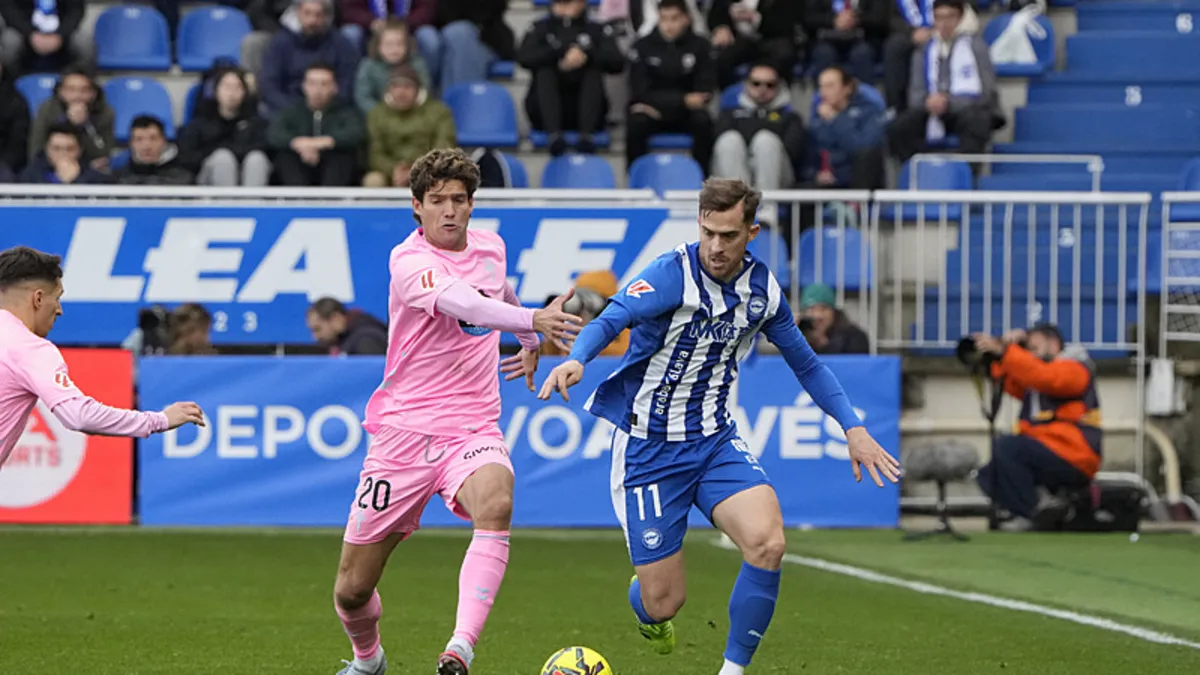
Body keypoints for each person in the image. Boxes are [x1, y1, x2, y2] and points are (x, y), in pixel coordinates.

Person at [537, 178, 899, 675]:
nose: (716, 246)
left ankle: (732, 671)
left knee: (768, 542)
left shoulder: (762, 290)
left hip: (713, 443)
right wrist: (578, 359)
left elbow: (807, 364)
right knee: (663, 602)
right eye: (708, 232)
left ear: (751, 232)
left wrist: (852, 427)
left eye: (729, 235)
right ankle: (649, 606)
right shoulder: (671, 275)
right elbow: (613, 316)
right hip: (648, 450)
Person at [330, 148, 583, 675]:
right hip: (402, 433)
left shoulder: (491, 247)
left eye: (460, 200)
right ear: (417, 206)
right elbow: (462, 303)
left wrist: (524, 335)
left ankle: (459, 650)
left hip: (471, 424)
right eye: (438, 200)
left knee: (497, 499)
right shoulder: (409, 261)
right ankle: (367, 659)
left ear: (472, 205)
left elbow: (496, 290)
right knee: (353, 591)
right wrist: (533, 319)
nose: (450, 210)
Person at [0, 246, 204, 470]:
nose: (59, 310)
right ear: (38, 298)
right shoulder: (29, 348)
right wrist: (159, 420)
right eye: (57, 298)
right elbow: (78, 416)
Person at [971, 324, 1102, 531]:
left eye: (1034, 346)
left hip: (1074, 454)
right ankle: (1043, 511)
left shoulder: (1075, 367)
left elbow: (1043, 376)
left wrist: (1007, 351)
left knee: (1007, 447)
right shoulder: (1036, 377)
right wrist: (996, 355)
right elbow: (1012, 379)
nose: (1029, 352)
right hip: (1049, 449)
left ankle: (1033, 510)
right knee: (988, 474)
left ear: (1053, 344)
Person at [517, 0, 625, 156]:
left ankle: (587, 135)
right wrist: (559, 54)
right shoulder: (539, 28)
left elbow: (617, 63)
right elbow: (523, 58)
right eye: (560, 2)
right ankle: (553, 135)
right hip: (544, 111)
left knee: (592, 72)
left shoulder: (596, 29)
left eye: (569, 2)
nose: (563, 7)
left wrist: (587, 56)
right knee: (545, 71)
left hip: (588, 110)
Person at [625, 0, 716, 174]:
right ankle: (635, 181)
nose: (668, 25)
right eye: (664, 19)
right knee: (636, 121)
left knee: (703, 121)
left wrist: (662, 104)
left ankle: (702, 181)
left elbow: (703, 93)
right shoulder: (642, 46)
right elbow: (639, 92)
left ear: (686, 19)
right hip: (653, 115)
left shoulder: (701, 47)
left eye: (674, 19)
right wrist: (682, 100)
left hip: (684, 116)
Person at [267, 62, 365, 186]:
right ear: (304, 86)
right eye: (312, 84)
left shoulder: (346, 111)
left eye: (324, 84)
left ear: (334, 87)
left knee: (342, 157)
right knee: (286, 157)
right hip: (299, 164)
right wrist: (298, 143)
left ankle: (330, 202)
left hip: (333, 167)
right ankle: (299, 201)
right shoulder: (291, 111)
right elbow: (274, 134)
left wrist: (322, 143)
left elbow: (355, 133)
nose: (318, 90)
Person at [363, 64, 456, 188]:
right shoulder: (376, 114)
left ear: (418, 90)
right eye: (396, 87)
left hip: (428, 171)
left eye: (407, 87)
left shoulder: (439, 112)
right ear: (388, 90)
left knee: (442, 181)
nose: (401, 92)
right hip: (391, 172)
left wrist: (416, 169)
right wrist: (393, 170)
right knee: (373, 180)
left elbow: (444, 148)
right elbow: (375, 153)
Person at [114, 116, 194, 186]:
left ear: (163, 141)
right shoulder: (118, 180)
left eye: (153, 139)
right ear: (131, 143)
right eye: (139, 139)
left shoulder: (183, 179)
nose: (146, 146)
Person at [307, 297, 388, 355]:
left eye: (317, 329)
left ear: (336, 319)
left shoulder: (366, 339)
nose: (315, 337)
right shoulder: (344, 339)